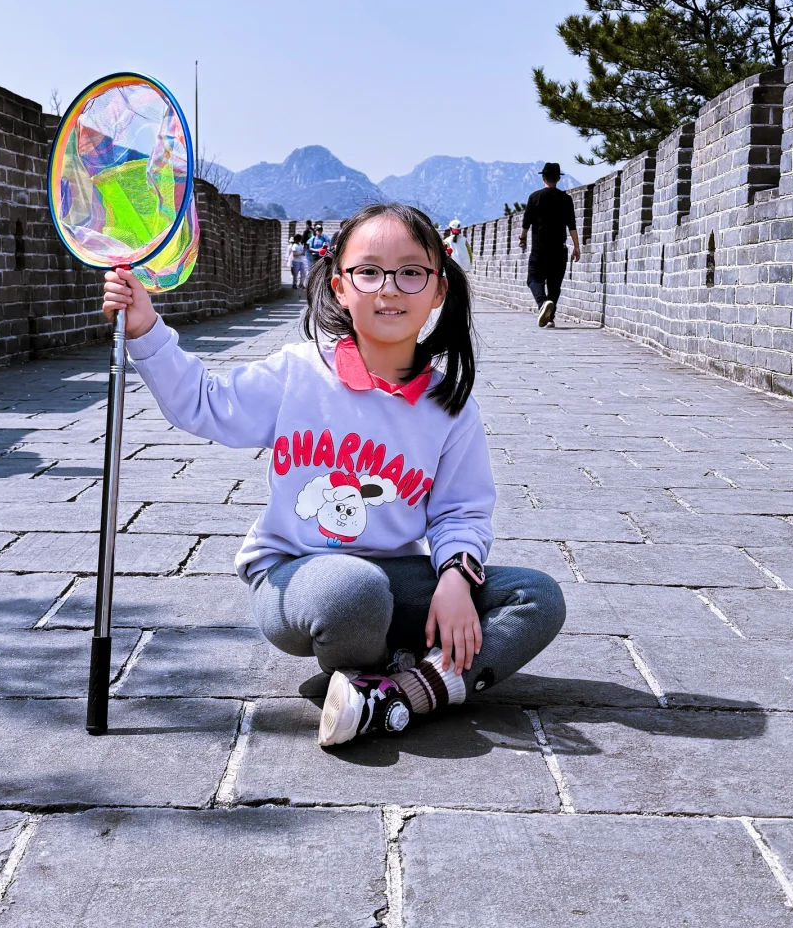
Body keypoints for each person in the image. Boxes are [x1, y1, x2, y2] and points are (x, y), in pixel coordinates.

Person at [102, 203, 565, 748]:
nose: (388, 288)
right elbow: (203, 404)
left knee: (537, 597)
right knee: (352, 590)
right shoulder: (299, 373)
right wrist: (145, 329)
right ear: (340, 287)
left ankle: (397, 694)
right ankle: (404, 672)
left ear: (439, 289)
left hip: (398, 579)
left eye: (411, 272)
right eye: (368, 272)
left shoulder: (449, 406)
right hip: (297, 579)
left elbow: (460, 511)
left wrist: (455, 579)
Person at [519, 162, 581, 327]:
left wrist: (522, 238)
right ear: (558, 179)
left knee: (534, 279)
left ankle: (542, 304)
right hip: (559, 249)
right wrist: (577, 247)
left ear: (543, 178)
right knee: (555, 285)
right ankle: (550, 318)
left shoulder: (535, 197)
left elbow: (526, 222)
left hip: (539, 249)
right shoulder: (566, 199)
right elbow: (572, 225)